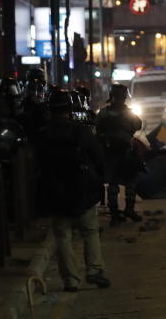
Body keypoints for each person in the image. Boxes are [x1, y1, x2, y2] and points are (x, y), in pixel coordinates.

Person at [37, 88, 109, 292]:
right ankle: (94, 271)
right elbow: (98, 157)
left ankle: (70, 280)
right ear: (69, 109)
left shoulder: (43, 135)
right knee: (90, 231)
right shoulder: (80, 131)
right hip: (81, 191)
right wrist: (100, 181)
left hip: (55, 191)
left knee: (62, 237)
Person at [95, 83, 143, 224]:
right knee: (130, 182)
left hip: (110, 152)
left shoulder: (103, 112)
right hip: (126, 152)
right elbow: (138, 125)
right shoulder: (129, 113)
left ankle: (115, 214)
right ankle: (129, 209)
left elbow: (96, 127)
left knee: (113, 184)